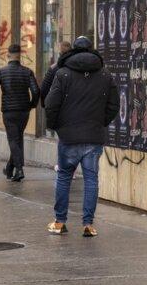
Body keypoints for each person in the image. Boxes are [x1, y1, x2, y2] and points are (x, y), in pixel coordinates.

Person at [44, 36, 119, 237]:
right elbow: (114, 105)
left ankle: (60, 221)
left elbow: (51, 104)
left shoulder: (63, 74)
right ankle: (88, 223)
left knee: (64, 177)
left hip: (68, 136)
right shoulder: (105, 75)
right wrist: (101, 122)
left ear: (73, 51)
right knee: (91, 179)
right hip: (93, 136)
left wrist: (54, 125)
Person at [0, 44, 40, 182]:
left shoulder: (1, 72)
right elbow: (36, 91)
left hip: (9, 111)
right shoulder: (27, 72)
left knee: (13, 140)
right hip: (24, 111)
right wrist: (32, 104)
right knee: (17, 138)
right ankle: (10, 168)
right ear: (20, 55)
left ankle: (20, 169)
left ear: (8, 55)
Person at [39, 40, 73, 104]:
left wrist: (45, 104)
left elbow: (44, 88)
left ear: (60, 53)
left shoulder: (54, 68)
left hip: (58, 105)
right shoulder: (77, 66)